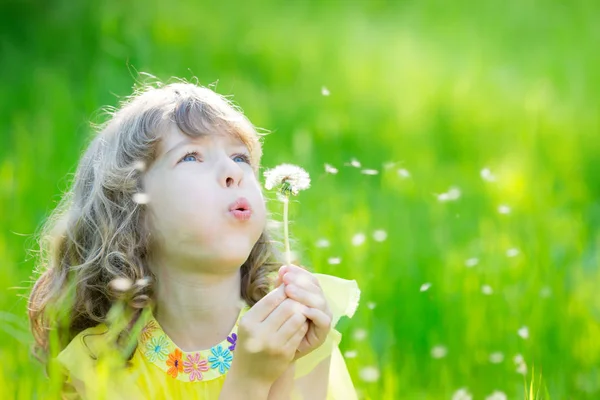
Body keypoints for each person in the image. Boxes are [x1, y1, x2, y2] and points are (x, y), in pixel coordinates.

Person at [27, 80, 360, 399]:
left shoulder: (295, 333)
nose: (233, 171)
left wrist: (287, 366)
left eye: (241, 157)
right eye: (191, 157)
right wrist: (249, 382)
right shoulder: (96, 364)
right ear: (131, 207)